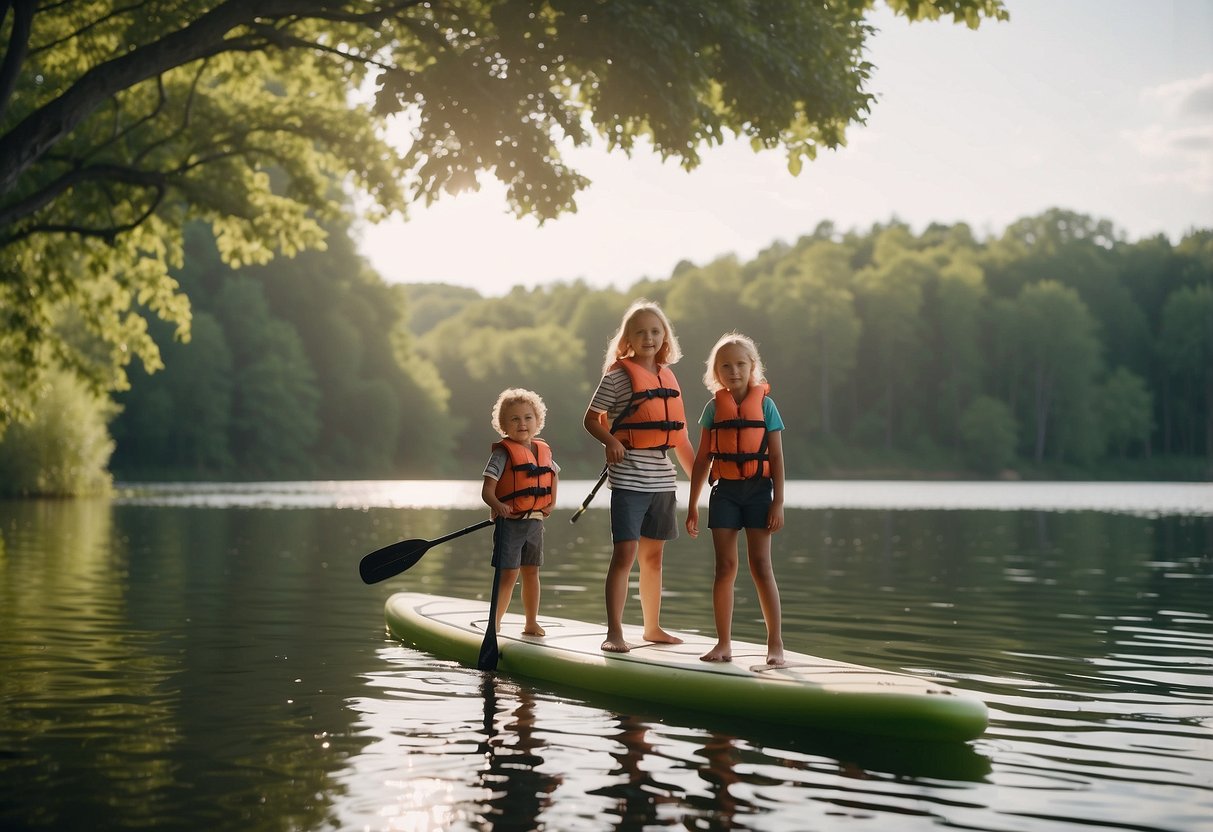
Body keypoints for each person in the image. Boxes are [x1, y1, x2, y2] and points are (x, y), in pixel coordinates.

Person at [583, 299, 695, 653]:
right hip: (630, 481)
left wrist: (702, 482)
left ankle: (652, 627)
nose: (649, 337)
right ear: (628, 338)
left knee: (654, 558)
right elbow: (591, 418)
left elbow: (680, 437)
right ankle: (614, 633)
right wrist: (610, 440)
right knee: (624, 556)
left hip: (663, 481)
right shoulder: (617, 377)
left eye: (655, 331)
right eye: (641, 332)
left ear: (665, 337)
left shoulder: (668, 377)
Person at [685, 332, 786, 666]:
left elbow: (778, 458)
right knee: (724, 568)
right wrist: (692, 505)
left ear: (752, 366)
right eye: (725, 366)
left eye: (740, 364)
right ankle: (723, 643)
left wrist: (778, 503)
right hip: (725, 493)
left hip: (759, 492)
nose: (734, 371)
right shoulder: (713, 409)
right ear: (716, 372)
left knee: (761, 566)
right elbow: (701, 460)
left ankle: (775, 644)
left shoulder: (767, 406)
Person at [481, 388, 559, 637]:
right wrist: (498, 505)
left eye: (528, 417)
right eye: (514, 419)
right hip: (510, 525)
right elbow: (487, 490)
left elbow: (553, 475)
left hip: (535, 523)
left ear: (538, 421)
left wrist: (551, 502)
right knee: (508, 574)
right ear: (503, 425)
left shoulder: (542, 450)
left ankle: (531, 622)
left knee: (532, 572)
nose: (522, 423)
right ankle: (495, 622)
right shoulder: (502, 454)